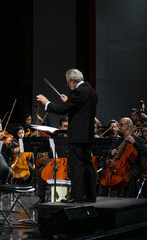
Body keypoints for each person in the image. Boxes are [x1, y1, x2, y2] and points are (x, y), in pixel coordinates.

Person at [37, 68, 98, 203]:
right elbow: (79, 109)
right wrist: (69, 101)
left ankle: (77, 197)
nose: (68, 85)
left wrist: (46, 102)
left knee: (76, 166)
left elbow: (61, 110)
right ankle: (91, 196)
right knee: (88, 165)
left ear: (72, 81)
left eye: (68, 83)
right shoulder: (91, 91)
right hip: (87, 135)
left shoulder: (78, 92)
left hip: (77, 135)